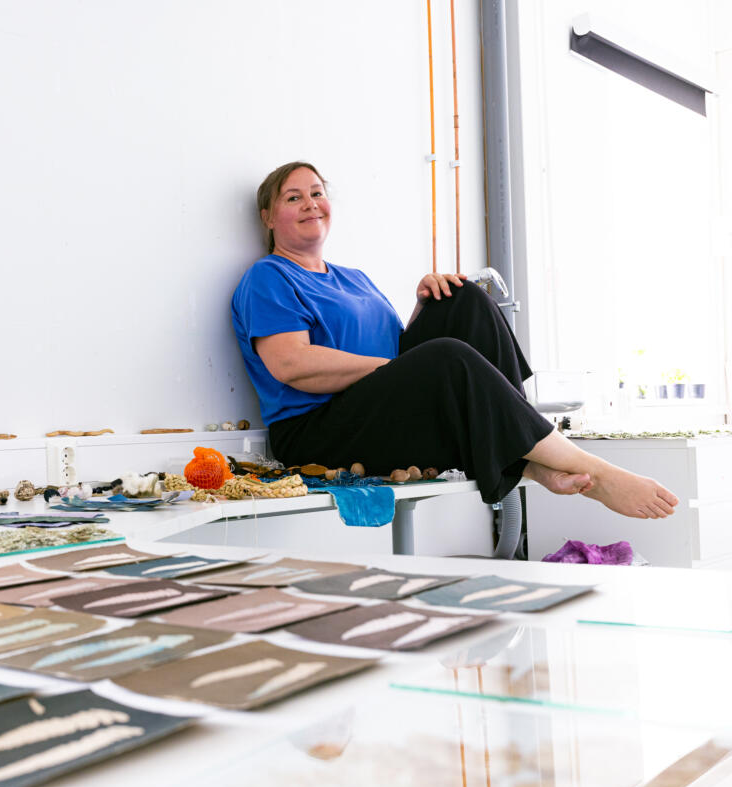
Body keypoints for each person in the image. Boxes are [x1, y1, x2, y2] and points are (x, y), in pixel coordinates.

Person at [231, 161, 678, 519]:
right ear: (269, 218)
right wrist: (398, 367)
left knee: (464, 299)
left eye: (317, 193)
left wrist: (426, 308)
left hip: (371, 412)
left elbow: (395, 352)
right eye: (293, 198)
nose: (311, 203)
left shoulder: (354, 278)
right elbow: (292, 365)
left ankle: (532, 460)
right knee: (448, 358)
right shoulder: (269, 276)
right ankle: (590, 468)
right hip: (317, 433)